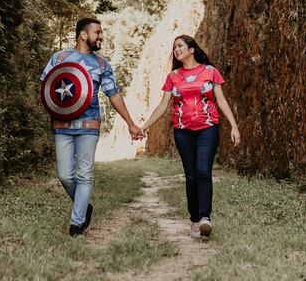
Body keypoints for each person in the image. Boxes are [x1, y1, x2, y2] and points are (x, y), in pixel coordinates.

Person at [42, 17, 145, 236]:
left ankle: (77, 223)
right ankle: (84, 207)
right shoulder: (60, 58)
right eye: (97, 32)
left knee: (84, 174)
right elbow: (47, 87)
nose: (101, 37)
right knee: (65, 175)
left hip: (89, 124)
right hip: (62, 123)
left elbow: (113, 95)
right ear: (83, 34)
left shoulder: (101, 64)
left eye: (101, 33)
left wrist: (130, 123)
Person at [140, 34, 240, 238]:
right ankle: (195, 220)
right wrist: (144, 127)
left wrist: (234, 126)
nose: (176, 50)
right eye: (174, 47)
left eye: (180, 46)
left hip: (208, 128)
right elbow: (163, 106)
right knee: (191, 176)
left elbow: (221, 101)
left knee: (203, 171)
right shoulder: (173, 77)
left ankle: (205, 218)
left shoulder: (210, 71)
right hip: (183, 131)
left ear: (191, 49)